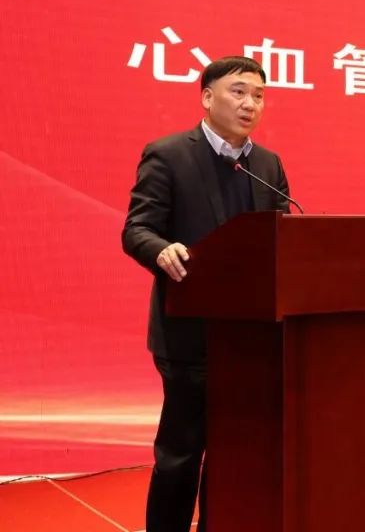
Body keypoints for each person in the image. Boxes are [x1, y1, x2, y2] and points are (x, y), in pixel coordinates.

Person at [121, 56, 292, 532]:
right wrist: (161, 249)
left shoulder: (267, 164)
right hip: (189, 334)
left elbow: (284, 238)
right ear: (207, 97)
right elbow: (137, 229)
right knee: (181, 454)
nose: (250, 103)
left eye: (258, 95)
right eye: (239, 92)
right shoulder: (169, 154)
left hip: (251, 337)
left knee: (235, 453)